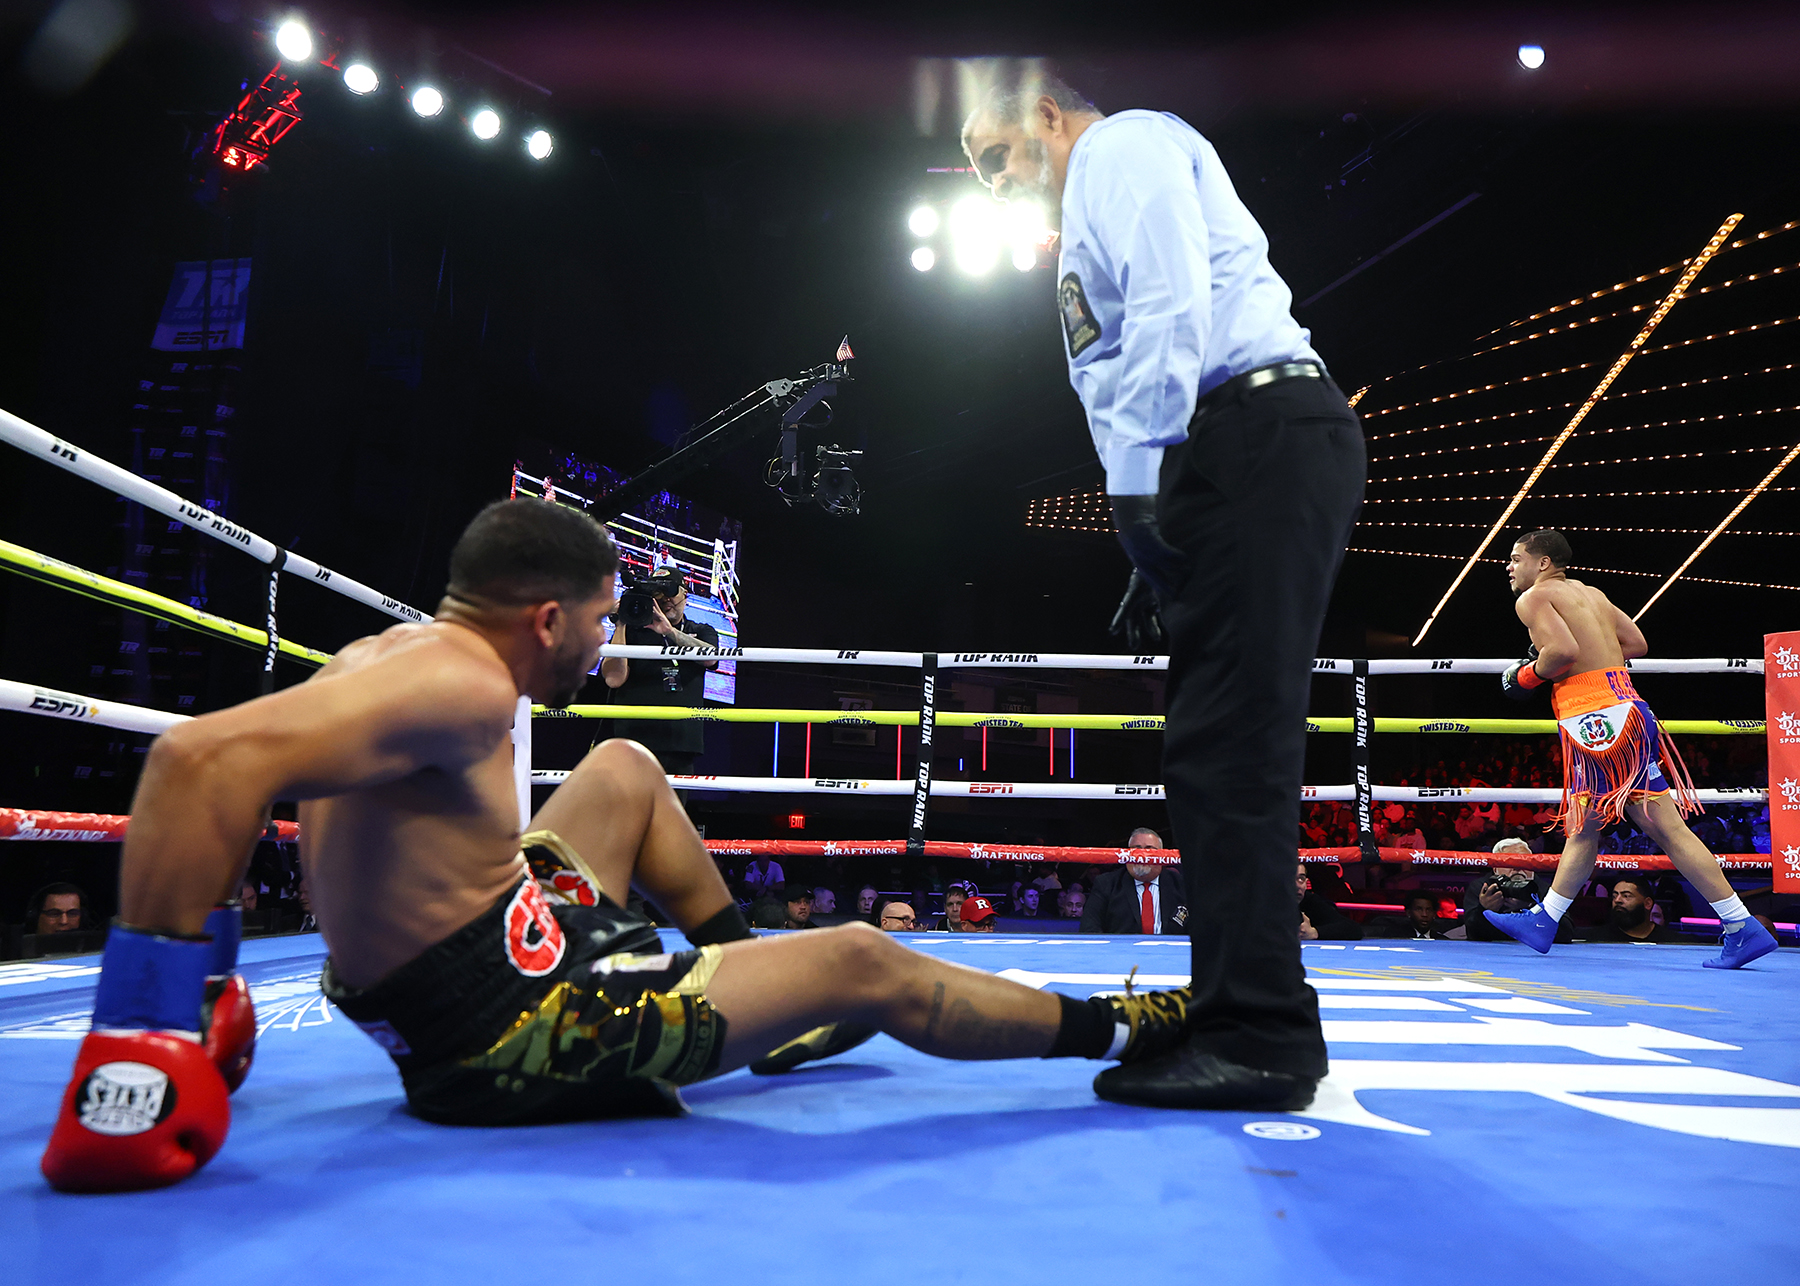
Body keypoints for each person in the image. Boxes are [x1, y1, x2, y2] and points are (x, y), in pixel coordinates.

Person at [40, 499, 1190, 1194]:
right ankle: (1124, 1027)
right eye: (602, 621)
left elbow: (247, 780)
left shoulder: (391, 654)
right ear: (547, 617)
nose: (607, 646)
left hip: (479, 947)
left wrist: (213, 977)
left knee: (624, 767)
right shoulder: (463, 685)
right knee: (859, 957)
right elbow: (195, 762)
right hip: (504, 1029)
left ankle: (757, 995)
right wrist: (148, 1028)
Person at [963, 67, 1362, 1111]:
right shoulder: (1086, 205)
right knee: (1203, 743)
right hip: (1218, 453)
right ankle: (1232, 1007)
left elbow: (1173, 303)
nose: (993, 180)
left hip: (1252, 431)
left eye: (995, 154)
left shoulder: (1123, 144)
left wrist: (1139, 488)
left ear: (1045, 113)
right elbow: (1119, 363)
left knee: (1233, 740)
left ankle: (1263, 1034)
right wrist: (1149, 522)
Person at [1486, 530, 1777, 967]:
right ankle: (1545, 920)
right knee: (1587, 825)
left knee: (1658, 827)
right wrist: (1593, 658)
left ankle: (1741, 925)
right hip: (1626, 708)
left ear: (1543, 562)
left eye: (1515, 558)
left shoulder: (1533, 598)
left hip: (1595, 721)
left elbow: (1561, 651)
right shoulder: (1593, 595)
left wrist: (1525, 675)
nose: (1509, 567)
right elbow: (1636, 644)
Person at [598, 569, 719, 777]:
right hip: (632, 740)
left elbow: (711, 658)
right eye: (658, 593)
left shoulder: (702, 630)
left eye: (670, 591)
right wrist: (621, 622)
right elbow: (613, 679)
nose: (665, 599)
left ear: (685, 594)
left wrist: (670, 632)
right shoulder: (631, 632)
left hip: (680, 742)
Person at [1081, 830, 1186, 934]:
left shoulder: (1181, 884)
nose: (1142, 856)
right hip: (1121, 945)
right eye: (1136, 850)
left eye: (1149, 850)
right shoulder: (1106, 883)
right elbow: (1089, 928)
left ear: (1162, 855)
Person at [1568, 875, 1681, 944]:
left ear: (1647, 903)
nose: (1617, 900)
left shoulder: (1673, 942)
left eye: (1626, 896)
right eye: (1614, 896)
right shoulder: (1592, 938)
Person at [1296, 862, 1361, 942]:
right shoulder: (1280, 904)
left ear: (1306, 883)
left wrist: (1314, 933)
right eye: (1289, 879)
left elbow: (1353, 929)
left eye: (1301, 879)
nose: (1297, 885)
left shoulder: (1310, 901)